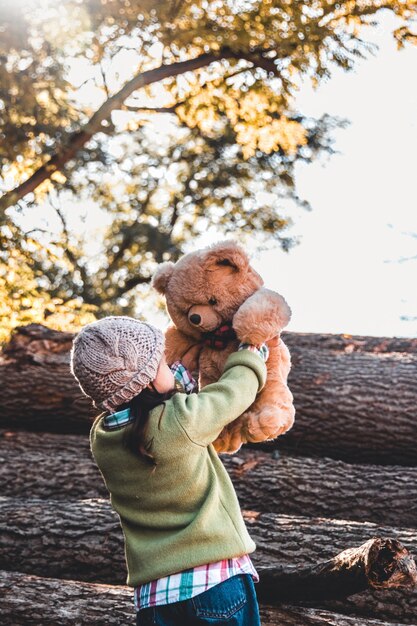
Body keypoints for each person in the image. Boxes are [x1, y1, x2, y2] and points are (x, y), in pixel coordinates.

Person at [70, 315, 269, 625]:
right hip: (213, 584)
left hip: (153, 599)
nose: (169, 364)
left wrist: (178, 371)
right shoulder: (180, 421)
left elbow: (146, 400)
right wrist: (250, 353)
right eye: (162, 362)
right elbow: (233, 393)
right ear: (148, 379)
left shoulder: (102, 438)